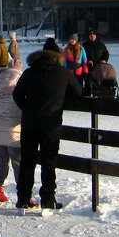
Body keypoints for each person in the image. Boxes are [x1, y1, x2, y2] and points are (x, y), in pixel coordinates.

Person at [12, 39, 82, 213]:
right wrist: (61, 104)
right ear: (58, 56)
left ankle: (23, 200)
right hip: (51, 124)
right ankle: (48, 200)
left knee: (27, 162)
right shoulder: (64, 73)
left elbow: (17, 94)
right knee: (48, 162)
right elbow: (78, 92)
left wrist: (27, 108)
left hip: (29, 124)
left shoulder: (29, 73)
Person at [0, 58, 23, 205]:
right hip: (13, 127)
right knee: (18, 162)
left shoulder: (1, 79)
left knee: (1, 160)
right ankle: (23, 194)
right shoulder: (19, 80)